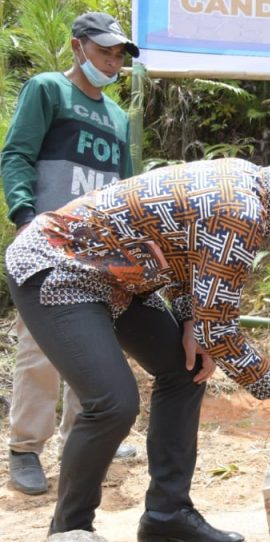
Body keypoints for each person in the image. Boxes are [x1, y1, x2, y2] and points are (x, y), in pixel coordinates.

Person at [5, 142, 270, 542]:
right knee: (113, 402)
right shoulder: (242, 210)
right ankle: (69, 533)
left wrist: (191, 318)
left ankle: (166, 514)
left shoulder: (251, 187)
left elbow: (182, 250)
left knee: (186, 368)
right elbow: (222, 330)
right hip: (60, 266)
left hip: (118, 278)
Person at [1, 11, 139, 496]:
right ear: (78, 47)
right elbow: (16, 153)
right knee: (39, 351)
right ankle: (25, 449)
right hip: (45, 242)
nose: (113, 61)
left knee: (93, 350)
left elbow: (124, 189)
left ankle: (81, 440)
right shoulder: (47, 90)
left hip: (97, 251)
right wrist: (23, 216)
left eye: (120, 55)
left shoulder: (119, 117)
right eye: (105, 51)